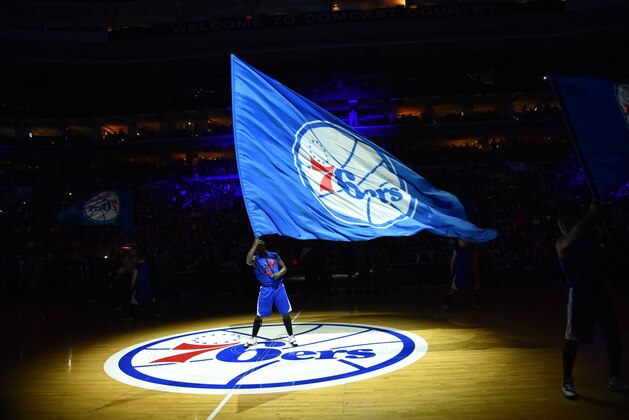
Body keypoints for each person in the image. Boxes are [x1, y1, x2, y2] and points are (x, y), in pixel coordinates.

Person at [556, 200, 628, 400]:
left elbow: (609, 260)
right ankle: (567, 380)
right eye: (559, 224)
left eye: (565, 222)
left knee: (613, 335)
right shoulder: (562, 244)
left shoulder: (591, 241)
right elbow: (575, 234)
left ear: (573, 221)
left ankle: (615, 378)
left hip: (600, 292)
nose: (562, 226)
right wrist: (592, 213)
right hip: (579, 294)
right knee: (572, 339)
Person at [244, 237, 297, 348]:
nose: (260, 242)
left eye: (262, 242)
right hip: (266, 288)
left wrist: (279, 274)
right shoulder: (256, 259)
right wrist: (253, 245)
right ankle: (253, 338)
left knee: (285, 313)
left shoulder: (274, 255)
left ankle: (291, 336)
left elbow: (284, 268)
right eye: (258, 243)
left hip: (278, 287)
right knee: (259, 315)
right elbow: (248, 261)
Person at [442, 238, 482, 311]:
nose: (460, 241)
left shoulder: (469, 249)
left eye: (462, 240)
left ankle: (478, 305)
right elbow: (452, 261)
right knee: (453, 289)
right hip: (460, 272)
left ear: (465, 241)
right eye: (460, 240)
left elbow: (472, 262)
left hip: (468, 272)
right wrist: (451, 270)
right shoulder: (457, 250)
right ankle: (446, 305)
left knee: (474, 288)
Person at [126, 246, 159, 321]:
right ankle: (157, 314)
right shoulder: (148, 266)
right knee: (153, 300)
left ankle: (130, 317)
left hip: (140, 287)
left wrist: (131, 286)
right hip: (148, 287)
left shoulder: (137, 267)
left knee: (133, 302)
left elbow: (133, 279)